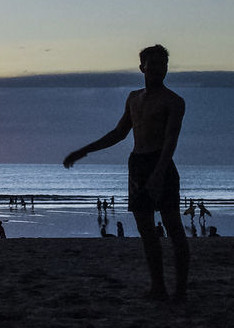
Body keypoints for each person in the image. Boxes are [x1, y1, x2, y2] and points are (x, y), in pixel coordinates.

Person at [64, 44, 189, 302]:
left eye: (162, 65)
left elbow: (170, 141)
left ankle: (181, 290)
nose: (157, 70)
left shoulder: (174, 101)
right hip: (138, 165)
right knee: (146, 232)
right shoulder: (133, 98)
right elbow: (119, 133)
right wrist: (84, 151)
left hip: (161, 163)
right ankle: (158, 287)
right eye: (152, 65)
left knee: (173, 227)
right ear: (142, 67)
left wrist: (159, 172)